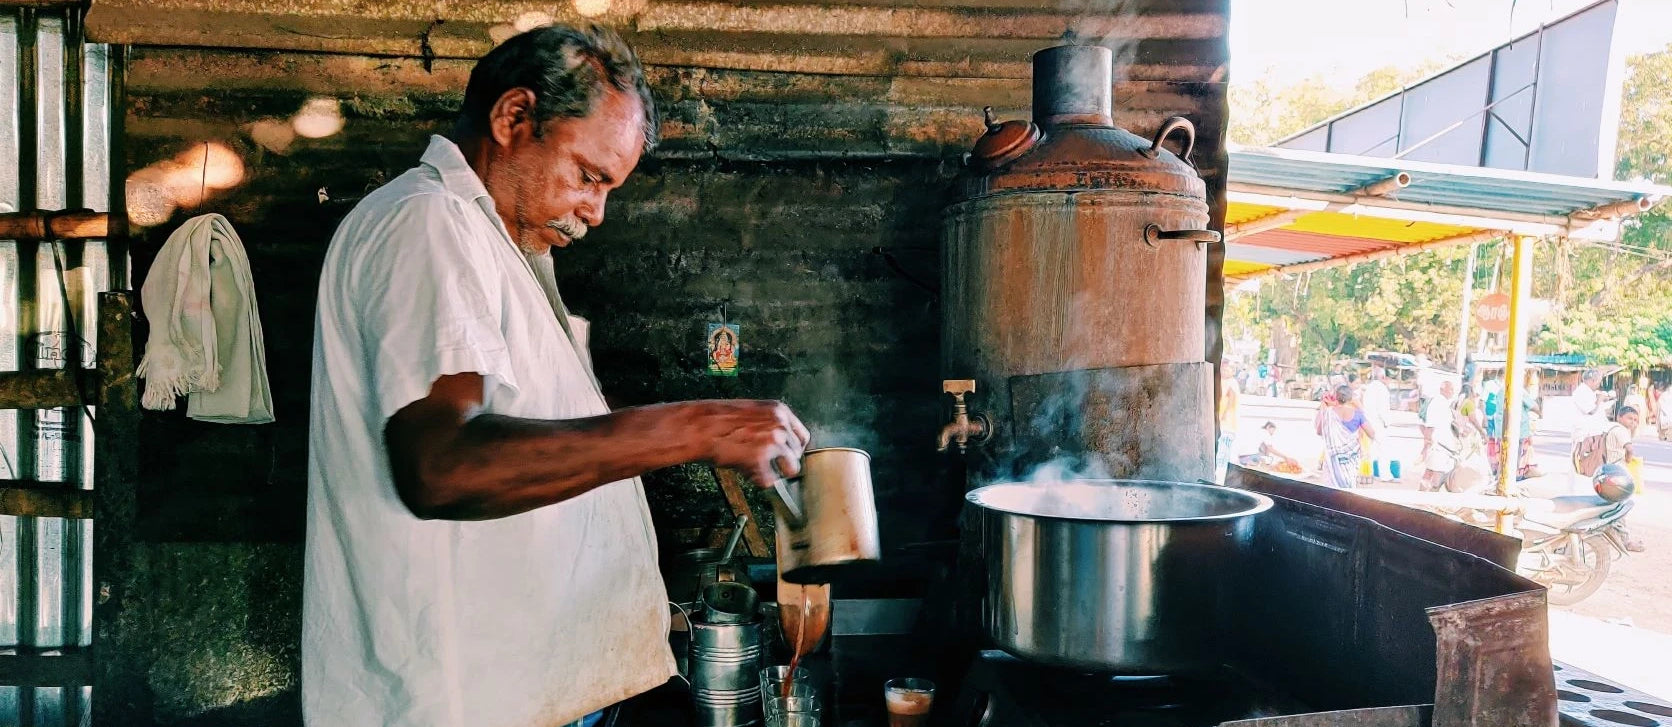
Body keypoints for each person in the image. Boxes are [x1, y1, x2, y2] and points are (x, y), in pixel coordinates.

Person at [302, 26, 812, 727]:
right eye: (589, 176)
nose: (596, 212)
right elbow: (442, 467)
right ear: (514, 118)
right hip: (466, 704)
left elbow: (536, 427)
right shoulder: (429, 224)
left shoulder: (497, 245)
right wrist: (693, 426)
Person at [1316, 385, 1375, 489]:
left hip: (1332, 460)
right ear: (1351, 398)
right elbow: (1372, 434)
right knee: (1347, 491)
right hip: (1350, 460)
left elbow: (1319, 431)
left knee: (1330, 490)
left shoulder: (1328, 413)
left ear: (1336, 396)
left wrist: (1323, 407)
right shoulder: (1358, 415)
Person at [1420, 379, 1459, 492]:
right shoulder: (1437, 403)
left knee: (1430, 473)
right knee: (1435, 475)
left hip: (1443, 446)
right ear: (1443, 389)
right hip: (1438, 445)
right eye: (1450, 389)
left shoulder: (1444, 404)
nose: (1452, 392)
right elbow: (1429, 427)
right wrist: (1426, 446)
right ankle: (1428, 499)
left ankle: (1422, 496)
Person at [1216, 367, 1240, 482]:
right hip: (1227, 426)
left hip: (1227, 426)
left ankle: (1219, 482)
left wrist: (1223, 416)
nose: (1223, 371)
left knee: (1221, 458)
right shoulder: (1229, 383)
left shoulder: (1231, 383)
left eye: (1226, 369)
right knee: (1222, 456)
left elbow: (1231, 399)